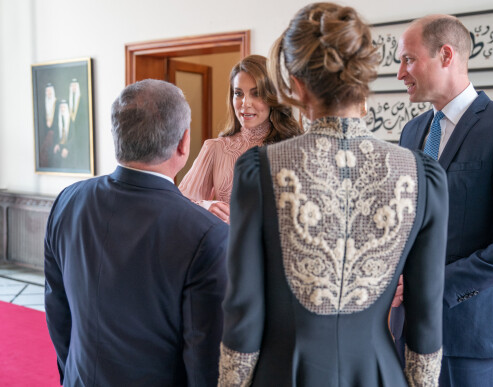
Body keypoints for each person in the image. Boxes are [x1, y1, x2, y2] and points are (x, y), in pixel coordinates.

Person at [217, 3, 448, 386]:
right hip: (378, 372)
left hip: (284, 372)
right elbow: (425, 319)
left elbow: (243, 308)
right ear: (362, 78)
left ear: (296, 82)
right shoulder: (422, 175)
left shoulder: (260, 170)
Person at [391, 14, 493, 387]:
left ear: (445, 54)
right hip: (403, 326)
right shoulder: (412, 131)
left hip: (467, 332)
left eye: (408, 59)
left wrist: (434, 286)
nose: (400, 73)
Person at [44, 79, 228, 386]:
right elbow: (205, 363)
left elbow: (58, 316)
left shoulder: (68, 200)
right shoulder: (206, 234)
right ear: (184, 144)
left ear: (118, 137)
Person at [178, 54, 302, 223]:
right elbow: (179, 203)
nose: (245, 103)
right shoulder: (215, 148)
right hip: (227, 246)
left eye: (256, 93)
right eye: (238, 93)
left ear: (272, 97)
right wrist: (207, 207)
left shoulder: (294, 147)